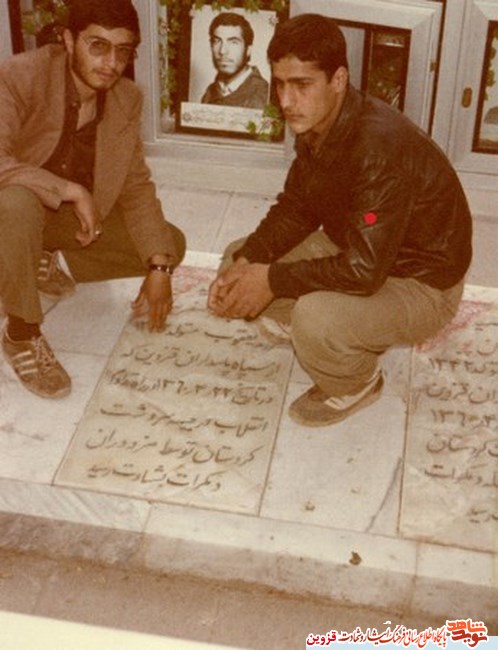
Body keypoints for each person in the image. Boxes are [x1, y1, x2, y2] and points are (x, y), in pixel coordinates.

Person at [208, 13, 472, 428]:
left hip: (421, 282)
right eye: (280, 83)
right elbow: (297, 207)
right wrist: (249, 261)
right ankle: (334, 330)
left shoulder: (378, 149)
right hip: (362, 245)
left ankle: (356, 381)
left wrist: (272, 280)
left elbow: (365, 272)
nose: (286, 101)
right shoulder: (319, 119)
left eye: (302, 85)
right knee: (236, 258)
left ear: (338, 79)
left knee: (315, 317)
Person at [0, 0, 186, 399]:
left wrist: (159, 267)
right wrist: (69, 189)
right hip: (11, 210)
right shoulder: (20, 75)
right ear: (68, 40)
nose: (111, 63)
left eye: (123, 51)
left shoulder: (125, 98)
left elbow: (135, 187)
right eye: (98, 46)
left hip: (62, 222)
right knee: (17, 202)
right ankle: (21, 332)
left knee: (170, 244)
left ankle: (41, 259)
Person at [201, 12, 269, 109]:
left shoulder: (264, 94)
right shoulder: (210, 92)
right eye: (217, 41)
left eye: (233, 42)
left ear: (248, 49)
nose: (222, 51)